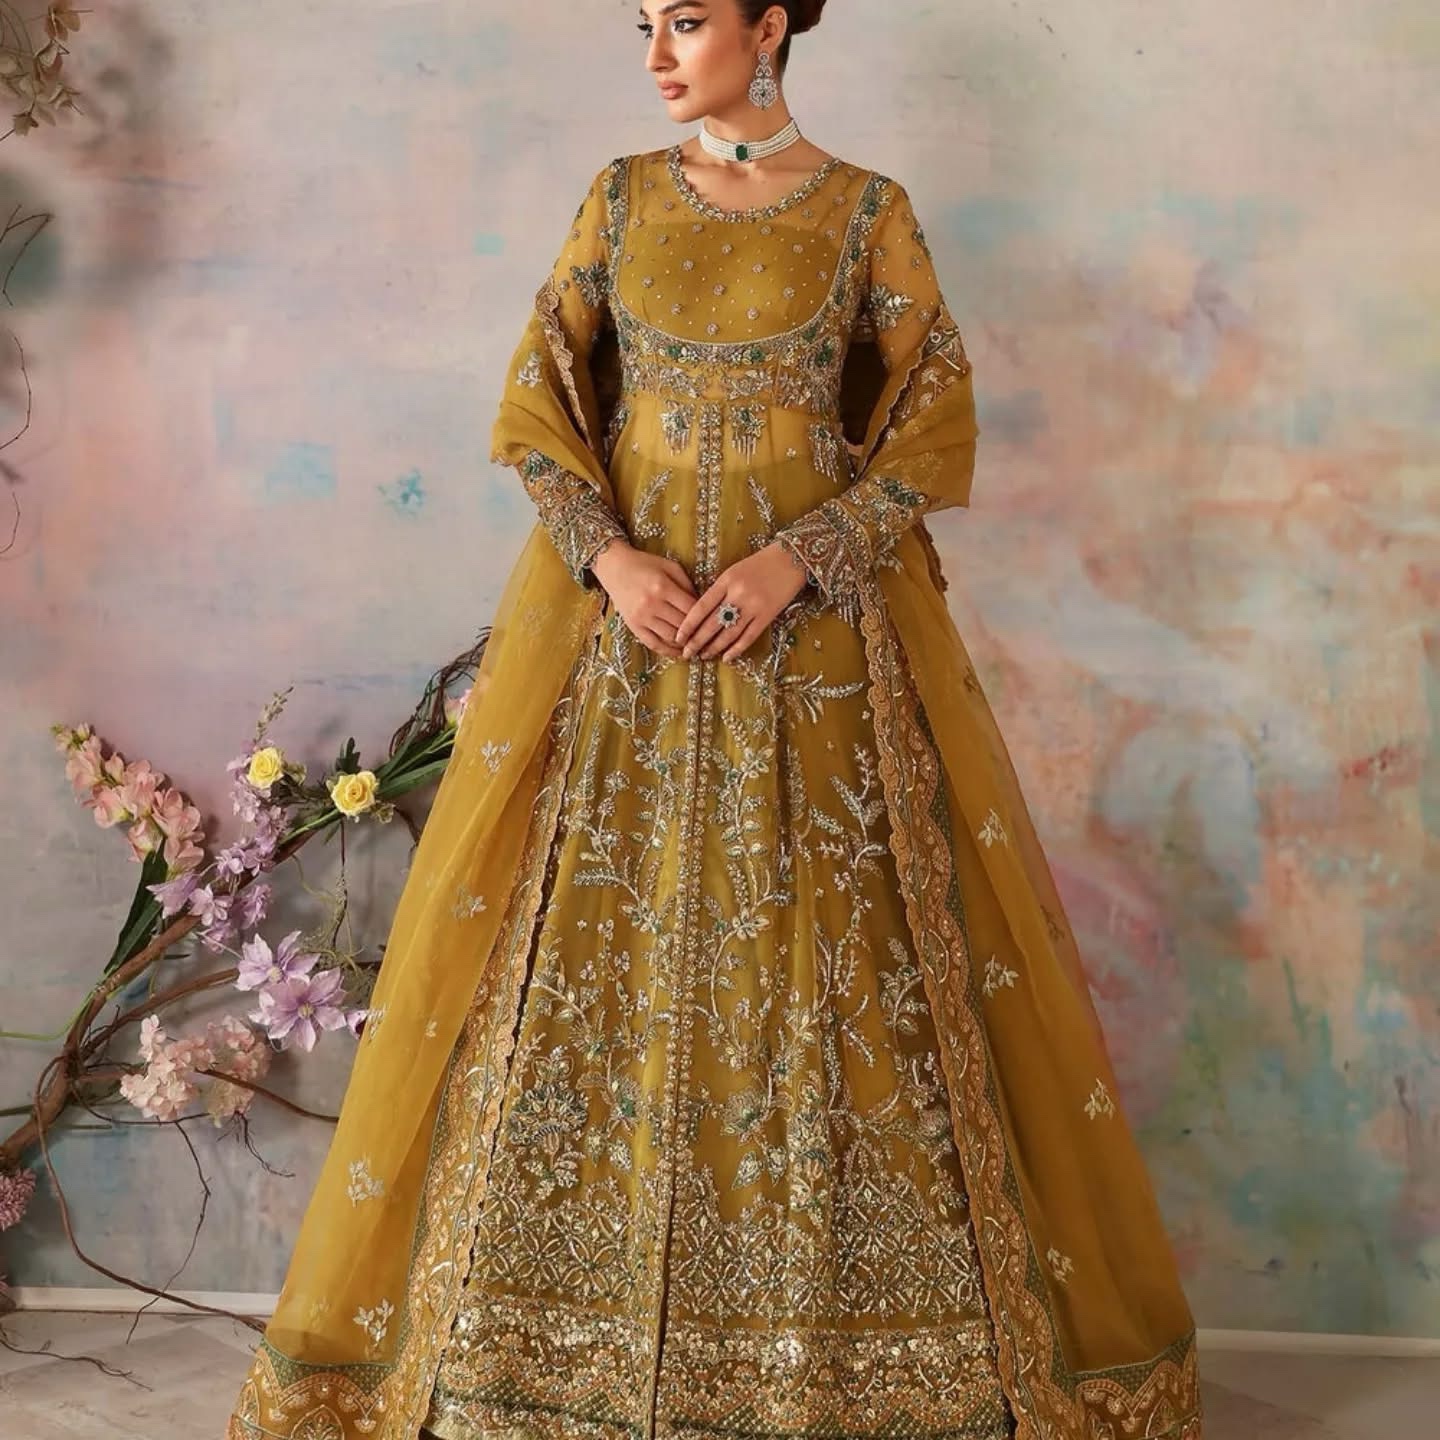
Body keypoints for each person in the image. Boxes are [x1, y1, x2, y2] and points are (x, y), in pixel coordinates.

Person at [226, 3, 1205, 1437]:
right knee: (584, 956)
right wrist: (613, 562)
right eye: (644, 24)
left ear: (768, 25)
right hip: (624, 657)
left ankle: (854, 1357)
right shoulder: (620, 201)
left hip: (818, 659)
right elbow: (539, 406)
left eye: (686, 19)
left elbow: (932, 423)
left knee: (829, 959)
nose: (657, 54)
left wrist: (799, 557)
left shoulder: (869, 214)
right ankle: (548, 1352)